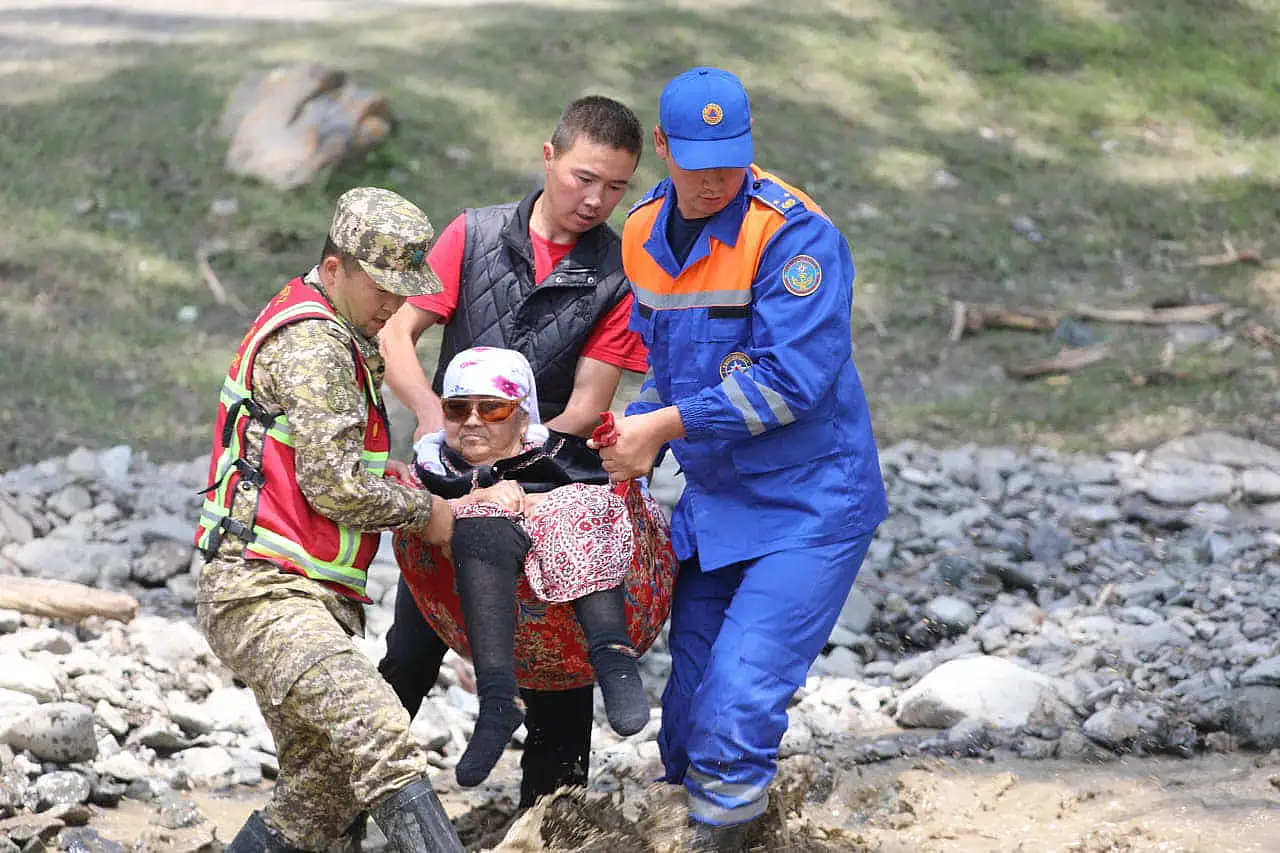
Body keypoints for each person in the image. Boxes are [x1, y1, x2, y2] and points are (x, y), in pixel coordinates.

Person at [592, 67, 890, 850]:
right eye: (695, 160)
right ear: (662, 148)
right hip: (716, 506)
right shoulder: (641, 233)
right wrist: (638, 429)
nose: (714, 176)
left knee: (737, 704)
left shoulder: (794, 236)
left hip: (812, 504)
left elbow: (791, 380)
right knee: (686, 727)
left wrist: (665, 423)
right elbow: (667, 357)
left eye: (729, 157)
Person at [376, 95, 648, 808]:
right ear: (549, 156)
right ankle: (339, 803)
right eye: (584, 177)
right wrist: (438, 420)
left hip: (555, 481)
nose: (596, 199)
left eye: (617, 186)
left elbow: (588, 405)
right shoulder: (471, 235)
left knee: (562, 683)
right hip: (453, 481)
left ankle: (550, 821)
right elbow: (397, 335)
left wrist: (513, 462)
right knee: (409, 652)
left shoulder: (620, 274)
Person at [193, 187, 465, 853]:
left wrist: (388, 480)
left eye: (405, 289)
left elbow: (331, 467)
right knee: (381, 734)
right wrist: (431, 515)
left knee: (323, 791)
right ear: (337, 266)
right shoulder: (315, 342)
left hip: (302, 595)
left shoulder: (339, 334)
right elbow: (335, 487)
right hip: (263, 592)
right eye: (383, 288)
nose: (396, 306)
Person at [409, 346, 651, 788]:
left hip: (565, 614)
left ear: (523, 416)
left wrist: (533, 500)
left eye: (493, 407)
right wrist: (473, 500)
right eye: (457, 408)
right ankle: (498, 699)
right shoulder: (431, 468)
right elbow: (406, 508)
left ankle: (614, 659)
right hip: (458, 588)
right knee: (480, 527)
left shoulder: (562, 456)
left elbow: (615, 498)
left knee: (581, 504)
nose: (473, 420)